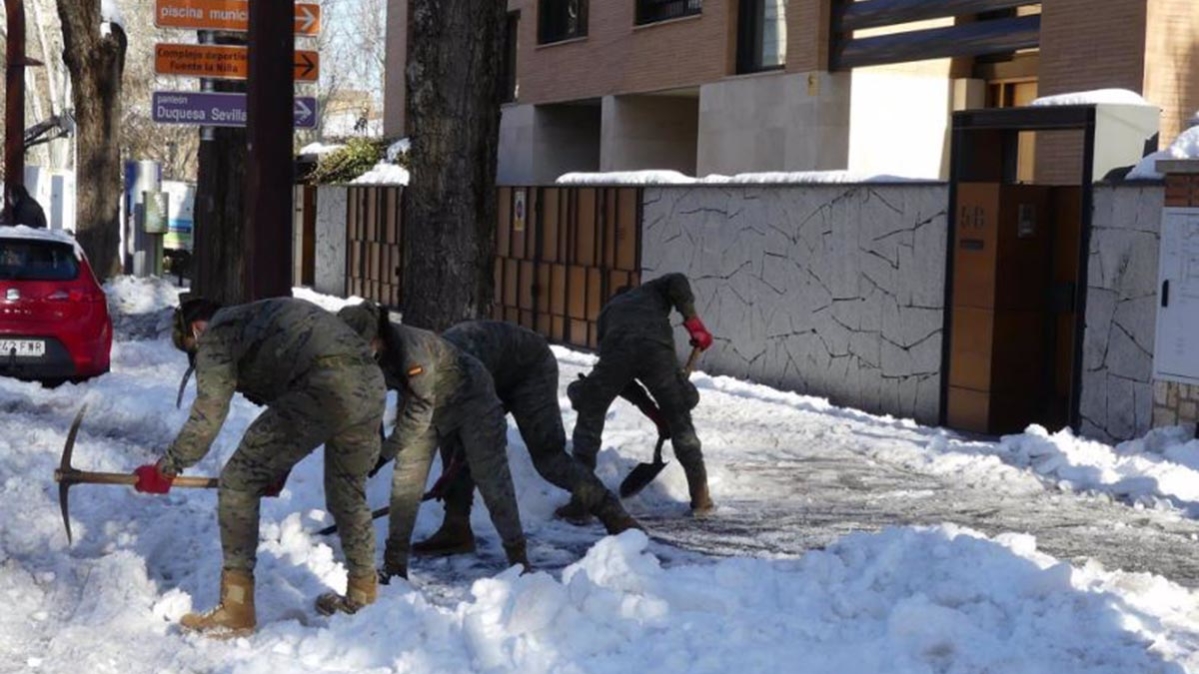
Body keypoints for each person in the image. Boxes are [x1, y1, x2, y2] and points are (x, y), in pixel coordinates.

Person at [133, 297, 386, 637]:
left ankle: (236, 610)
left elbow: (208, 415)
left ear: (197, 329)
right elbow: (290, 396)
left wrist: (167, 466)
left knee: (237, 481)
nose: (198, 356)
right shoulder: (256, 317)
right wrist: (275, 467)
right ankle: (363, 596)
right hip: (370, 383)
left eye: (192, 349)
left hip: (324, 385)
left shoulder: (217, 336)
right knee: (347, 492)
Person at [410, 320, 641, 557]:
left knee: (548, 457)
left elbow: (485, 424)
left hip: (530, 368)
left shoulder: (458, 367)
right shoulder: (417, 368)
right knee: (452, 442)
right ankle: (455, 528)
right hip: (493, 370)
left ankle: (615, 515)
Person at [336, 302, 527, 582]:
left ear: (379, 334)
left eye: (366, 344)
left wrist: (384, 455)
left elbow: (417, 417)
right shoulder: (355, 353)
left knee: (492, 480)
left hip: (471, 399)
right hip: (423, 403)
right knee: (405, 484)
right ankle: (395, 567)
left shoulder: (411, 352)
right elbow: (367, 398)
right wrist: (372, 443)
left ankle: (520, 563)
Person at [564, 273, 715, 516]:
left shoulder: (607, 313)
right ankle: (701, 499)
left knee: (589, 414)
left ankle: (580, 502)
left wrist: (654, 413)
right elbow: (677, 279)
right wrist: (693, 323)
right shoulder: (652, 289)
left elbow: (620, 383)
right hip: (656, 351)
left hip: (617, 353)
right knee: (680, 419)